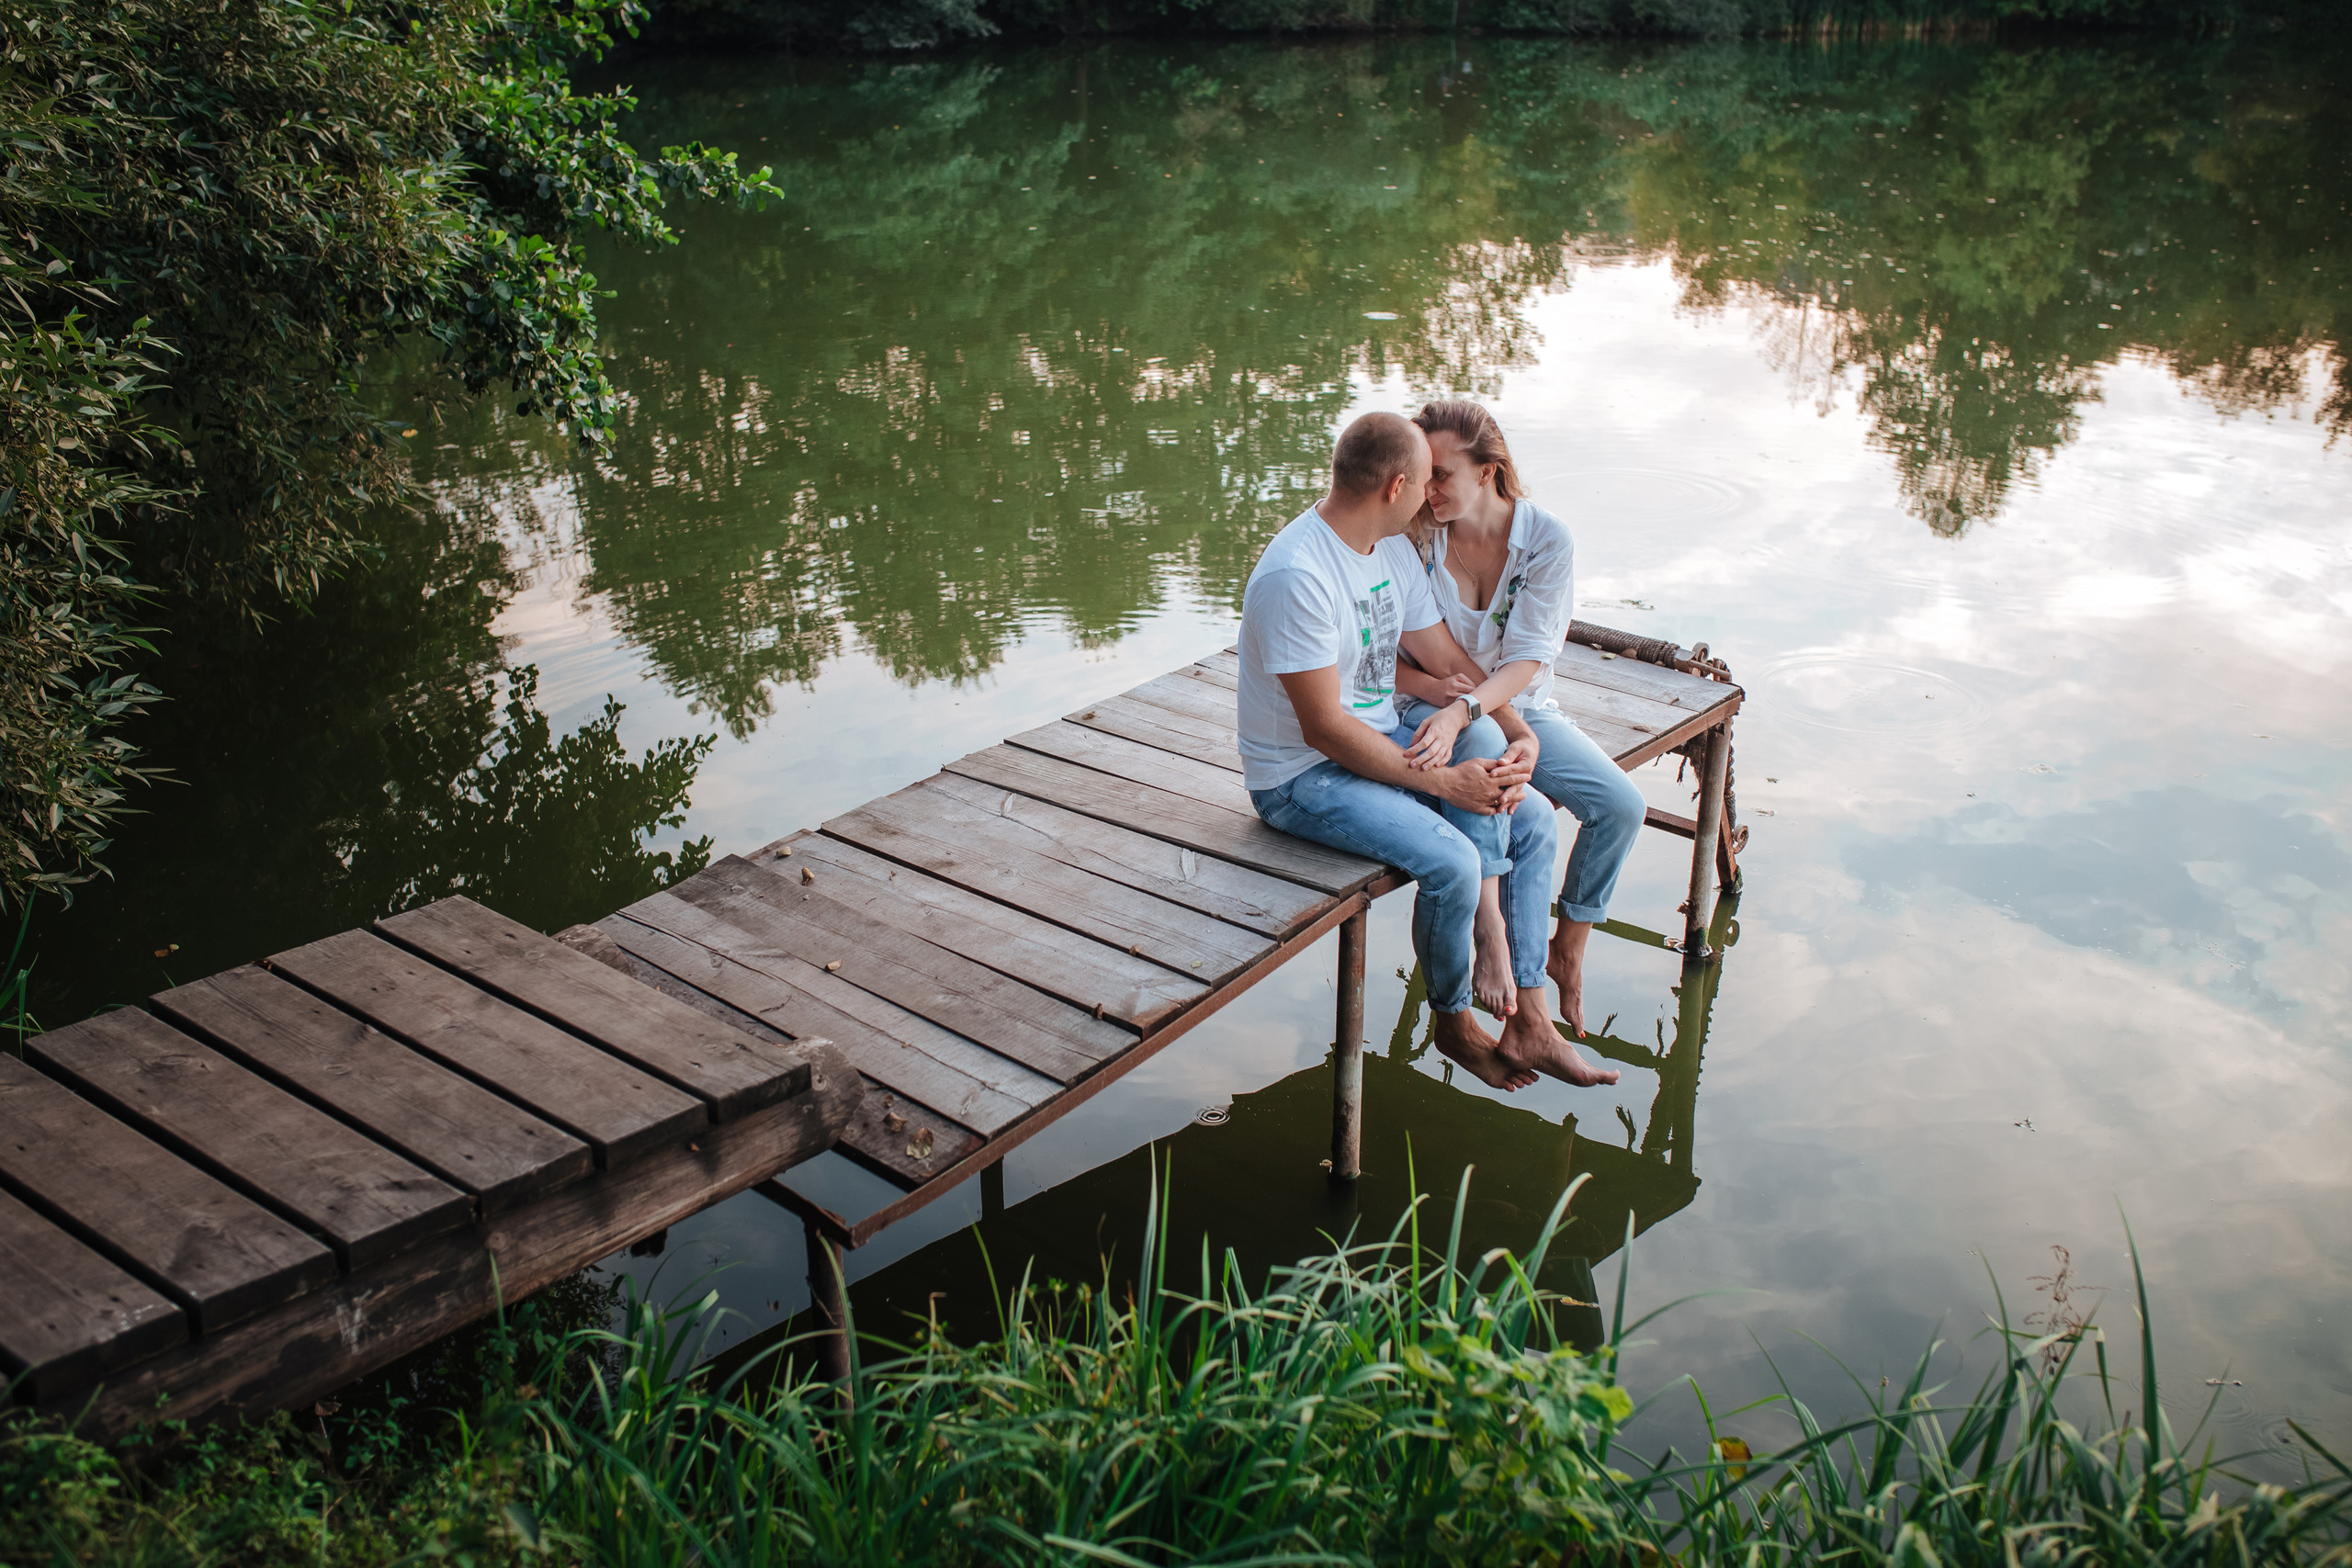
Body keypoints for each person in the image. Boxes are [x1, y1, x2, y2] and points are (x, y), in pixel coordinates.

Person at [1238, 411, 1611, 1090]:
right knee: (1454, 862)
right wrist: (1445, 787)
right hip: (1302, 778)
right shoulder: (1298, 576)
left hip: (1377, 741)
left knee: (1529, 818)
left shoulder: (1387, 550)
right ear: (1396, 487)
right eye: (1427, 481)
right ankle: (1452, 1018)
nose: (1431, 501)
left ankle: (1530, 1016)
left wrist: (1519, 731)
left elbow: (1445, 659)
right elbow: (1322, 729)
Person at [1393, 400, 1645, 1048]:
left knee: (1620, 804)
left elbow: (1527, 663)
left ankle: (1569, 947)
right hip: (1429, 705)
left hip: (1518, 706)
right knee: (1508, 791)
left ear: (1490, 471)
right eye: (1423, 474)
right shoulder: (1416, 534)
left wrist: (1478, 712)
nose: (1428, 489)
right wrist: (1449, 705)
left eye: (1442, 474)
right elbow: (1385, 656)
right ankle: (1494, 951)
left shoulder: (1545, 541)